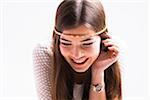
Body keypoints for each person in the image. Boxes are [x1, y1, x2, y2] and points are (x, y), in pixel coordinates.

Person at [33, 0, 122, 100]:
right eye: (66, 43)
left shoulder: (111, 53)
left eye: (87, 43)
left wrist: (98, 72)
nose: (77, 54)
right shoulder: (46, 53)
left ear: (102, 38)